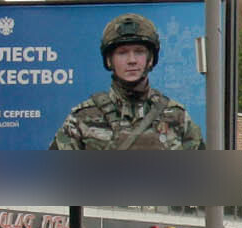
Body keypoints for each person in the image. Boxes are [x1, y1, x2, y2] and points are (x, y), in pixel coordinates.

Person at [51, 13, 205, 151]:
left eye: (139, 52)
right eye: (122, 53)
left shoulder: (177, 117)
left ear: (150, 59)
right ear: (109, 60)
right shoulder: (83, 119)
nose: (132, 60)